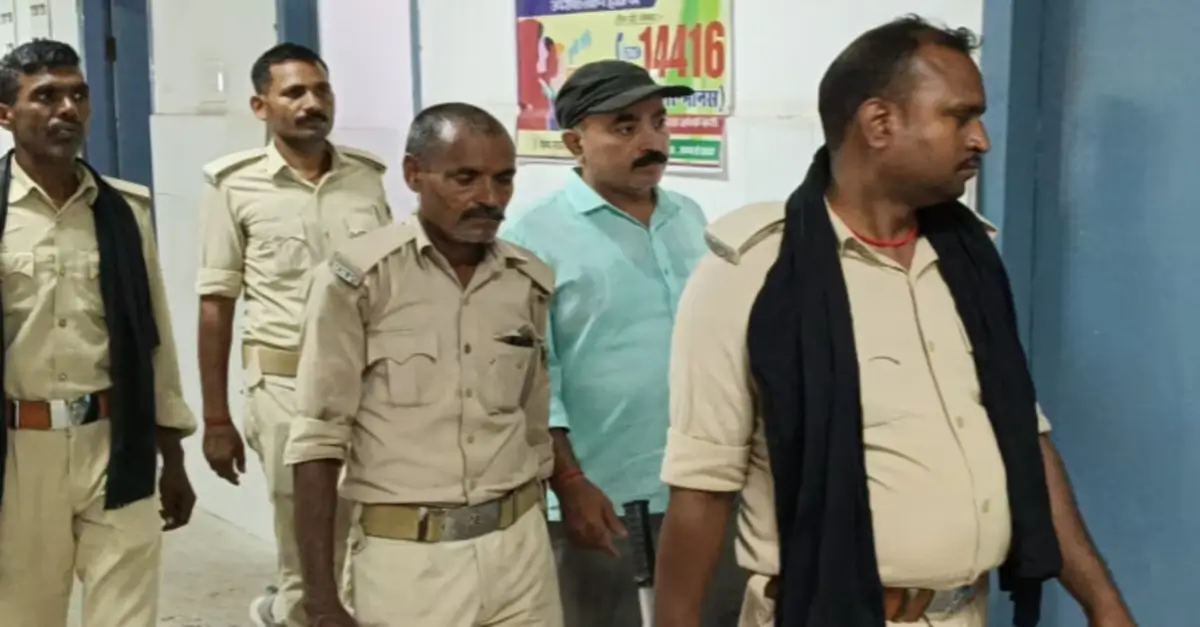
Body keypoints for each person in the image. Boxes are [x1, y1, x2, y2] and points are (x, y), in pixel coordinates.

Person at [653, 17, 1138, 627]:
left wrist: (1104, 604)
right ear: (880, 122)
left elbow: (1023, 440)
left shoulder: (968, 264)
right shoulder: (756, 274)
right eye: (960, 117)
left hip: (964, 612)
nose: (981, 139)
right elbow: (702, 489)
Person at [284, 102, 563, 627]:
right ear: (414, 174)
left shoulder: (525, 281)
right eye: (465, 178)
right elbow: (318, 440)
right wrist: (319, 597)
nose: (489, 198)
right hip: (412, 563)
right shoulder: (359, 281)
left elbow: (532, 425)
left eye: (503, 179)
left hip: (520, 553)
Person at [502, 59, 744, 626]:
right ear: (575, 143)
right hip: (602, 501)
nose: (651, 141)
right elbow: (536, 380)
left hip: (703, 489)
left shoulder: (690, 217)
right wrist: (570, 483)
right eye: (625, 126)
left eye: (658, 122)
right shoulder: (532, 238)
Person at [194, 42, 392, 627]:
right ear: (261, 105)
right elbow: (216, 305)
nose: (312, 103)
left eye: (321, 90)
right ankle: (292, 612)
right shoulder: (234, 186)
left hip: (365, 383)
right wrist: (216, 419)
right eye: (294, 92)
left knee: (367, 532)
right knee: (305, 542)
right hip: (284, 386)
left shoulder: (366, 179)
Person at [0, 40, 197, 627]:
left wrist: (172, 454)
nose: (67, 109)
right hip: (18, 455)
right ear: (6, 113)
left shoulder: (123, 212)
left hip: (115, 442)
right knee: (25, 614)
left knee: (126, 616)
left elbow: (155, 335)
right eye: (46, 97)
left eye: (77, 95)